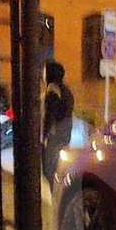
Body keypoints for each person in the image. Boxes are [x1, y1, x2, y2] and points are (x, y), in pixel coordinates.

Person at [41, 60, 74, 190]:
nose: (42, 74)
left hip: (54, 136)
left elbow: (49, 116)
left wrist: (44, 137)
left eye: (44, 71)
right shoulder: (66, 90)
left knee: (49, 169)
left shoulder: (53, 91)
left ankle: (55, 197)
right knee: (60, 168)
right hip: (65, 134)